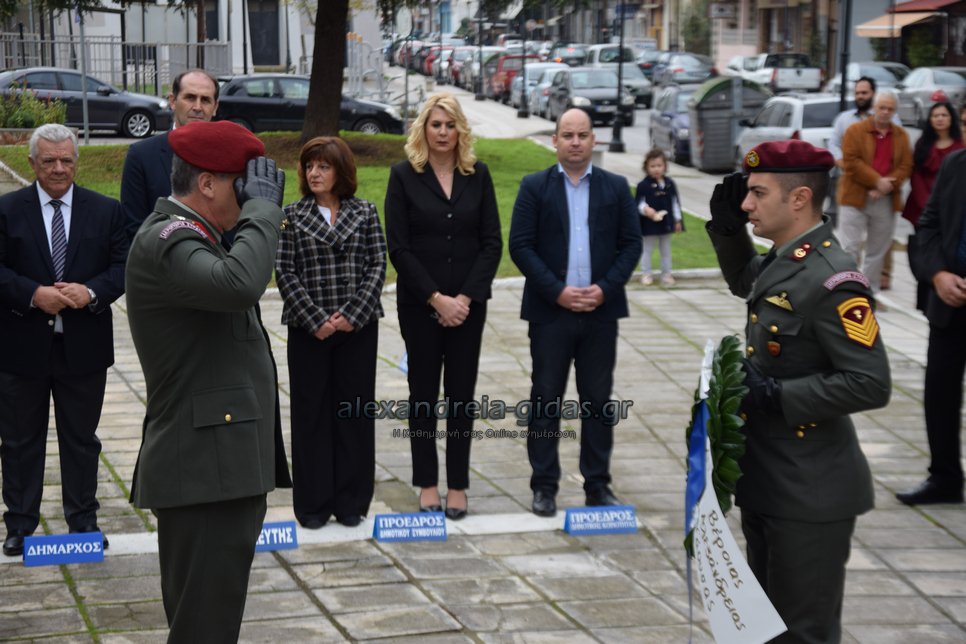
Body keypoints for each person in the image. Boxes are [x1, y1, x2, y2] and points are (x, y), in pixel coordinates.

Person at [706, 139, 891, 643]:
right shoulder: (787, 257)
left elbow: (871, 382)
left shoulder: (833, 279)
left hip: (811, 490)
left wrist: (777, 397)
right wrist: (729, 231)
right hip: (770, 478)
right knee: (764, 629)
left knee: (803, 633)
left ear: (799, 198)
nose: (747, 204)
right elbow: (749, 282)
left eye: (758, 193)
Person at [125, 120, 287, 641]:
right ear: (208, 183)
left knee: (210, 622)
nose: (252, 195)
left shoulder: (201, 237)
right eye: (244, 184)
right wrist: (264, 212)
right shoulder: (170, 239)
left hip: (220, 466)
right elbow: (239, 284)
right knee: (204, 628)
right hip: (203, 470)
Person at [0, 124, 127, 557]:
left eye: (66, 160)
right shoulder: (7, 210)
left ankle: (83, 521)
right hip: (20, 347)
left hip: (84, 347)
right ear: (31, 162)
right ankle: (20, 524)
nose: (58, 168)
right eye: (49, 160)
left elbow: (123, 266)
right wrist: (33, 294)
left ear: (77, 161)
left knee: (81, 439)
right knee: (19, 442)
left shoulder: (106, 210)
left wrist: (90, 292)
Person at [509, 108, 641, 517]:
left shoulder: (615, 187)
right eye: (568, 135)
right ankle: (544, 486)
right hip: (551, 314)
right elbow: (520, 246)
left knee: (597, 402)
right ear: (555, 140)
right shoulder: (535, 187)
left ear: (593, 140)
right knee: (546, 398)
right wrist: (558, 292)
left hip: (601, 313)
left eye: (583, 135)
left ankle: (597, 485)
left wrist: (604, 289)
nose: (576, 142)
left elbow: (631, 244)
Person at [385, 93, 502, 520]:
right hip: (420, 306)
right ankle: (428, 484)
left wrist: (464, 299)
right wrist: (436, 298)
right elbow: (399, 247)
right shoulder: (403, 176)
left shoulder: (478, 175)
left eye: (450, 125)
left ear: (460, 130)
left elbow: (492, 243)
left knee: (460, 396)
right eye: (435, 124)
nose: (442, 132)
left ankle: (457, 485)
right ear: (423, 128)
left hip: (468, 309)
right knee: (422, 395)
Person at [277, 136, 387, 529]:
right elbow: (284, 270)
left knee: (353, 414)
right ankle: (313, 505)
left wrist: (352, 315)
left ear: (341, 171)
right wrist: (316, 320)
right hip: (309, 331)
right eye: (309, 166)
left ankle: (352, 501)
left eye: (323, 166)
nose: (314, 173)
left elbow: (377, 264)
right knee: (311, 416)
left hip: (357, 329)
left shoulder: (366, 211)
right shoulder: (291, 215)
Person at [895, 146, 966, 506]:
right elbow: (929, 223)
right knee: (940, 392)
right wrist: (938, 274)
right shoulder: (956, 163)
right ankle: (944, 478)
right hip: (951, 301)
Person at [120, 68, 219, 241]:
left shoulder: (231, 156)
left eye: (205, 100)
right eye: (190, 98)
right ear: (172, 101)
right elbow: (134, 227)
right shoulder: (141, 156)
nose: (197, 107)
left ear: (215, 107)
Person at [837, 89, 912, 293]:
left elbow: (906, 165)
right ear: (874, 108)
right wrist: (876, 181)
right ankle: (846, 290)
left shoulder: (901, 136)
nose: (886, 112)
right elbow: (851, 161)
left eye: (890, 109)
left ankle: (869, 291)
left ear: (895, 111)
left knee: (877, 250)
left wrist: (887, 185)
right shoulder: (855, 131)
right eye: (882, 107)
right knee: (849, 247)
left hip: (886, 199)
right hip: (854, 196)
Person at [901, 102, 963, 312]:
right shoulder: (924, 143)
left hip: (951, 208)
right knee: (927, 250)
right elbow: (916, 174)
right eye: (936, 115)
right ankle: (927, 297)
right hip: (923, 206)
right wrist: (927, 202)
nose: (940, 119)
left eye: (944, 115)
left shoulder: (958, 147)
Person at [826, 76, 878, 227]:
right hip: (850, 184)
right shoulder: (844, 119)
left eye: (864, 93)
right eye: (857, 93)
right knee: (848, 236)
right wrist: (842, 161)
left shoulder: (886, 119)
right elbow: (833, 143)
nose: (860, 96)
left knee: (878, 239)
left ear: (873, 94)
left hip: (877, 186)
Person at [635, 148, 683, 287]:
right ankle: (646, 274)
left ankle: (666, 274)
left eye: (659, 165)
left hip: (666, 223)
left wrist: (677, 220)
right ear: (646, 167)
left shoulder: (669, 184)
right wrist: (646, 210)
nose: (656, 169)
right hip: (649, 224)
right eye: (652, 166)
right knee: (647, 250)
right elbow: (638, 203)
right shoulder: (643, 185)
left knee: (666, 250)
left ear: (665, 167)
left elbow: (675, 203)